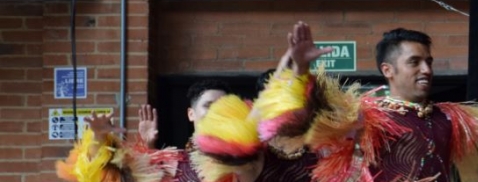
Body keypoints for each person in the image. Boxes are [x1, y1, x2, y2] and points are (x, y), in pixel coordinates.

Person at [201, 22, 478, 182]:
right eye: (415, 62)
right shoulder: (364, 114)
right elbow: (300, 121)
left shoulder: (453, 118)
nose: (426, 69)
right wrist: (299, 71)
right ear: (388, 70)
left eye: (429, 61)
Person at [56, 78, 318, 182]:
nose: (217, 111)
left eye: (225, 105)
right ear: (191, 114)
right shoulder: (174, 164)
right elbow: (108, 175)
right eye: (209, 105)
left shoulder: (269, 156)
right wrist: (100, 138)